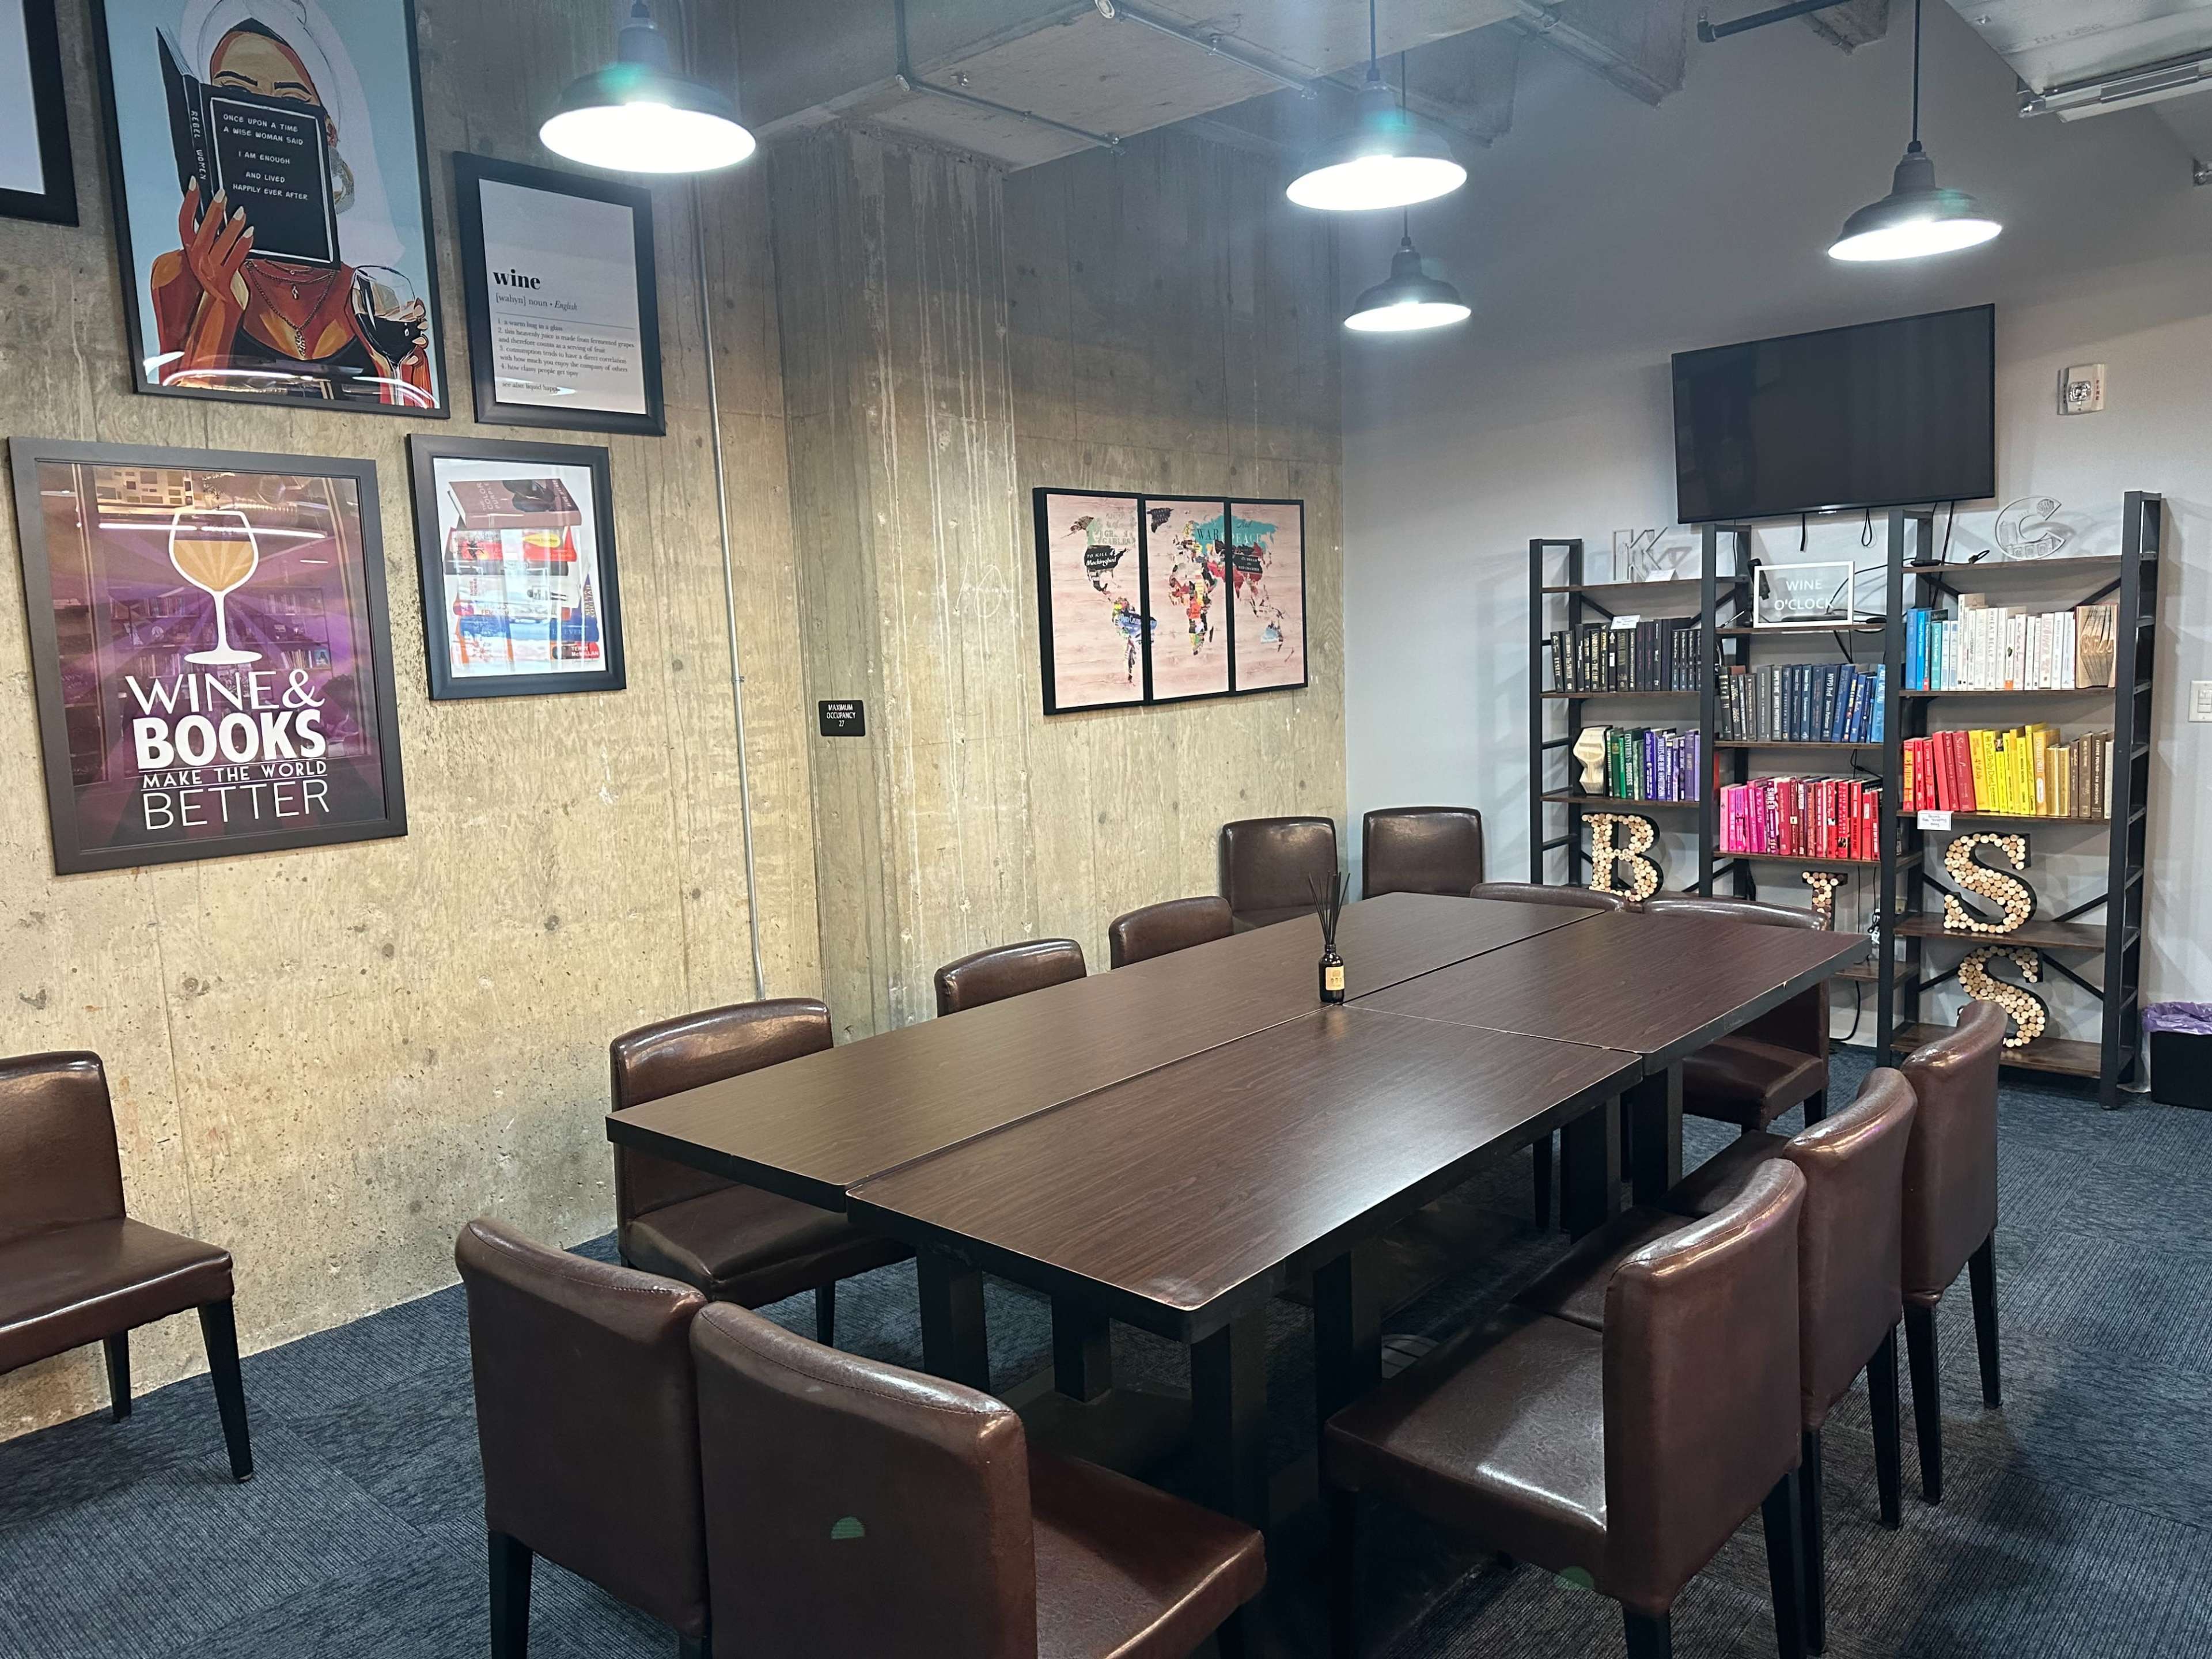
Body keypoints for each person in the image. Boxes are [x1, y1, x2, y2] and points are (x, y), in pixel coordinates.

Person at [149, 18, 431, 405]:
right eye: (235, 92)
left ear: (328, 131)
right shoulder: (177, 277)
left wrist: (405, 369)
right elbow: (181, 420)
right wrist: (220, 303)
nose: (263, 116)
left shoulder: (375, 301)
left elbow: (413, 421)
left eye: (291, 102)